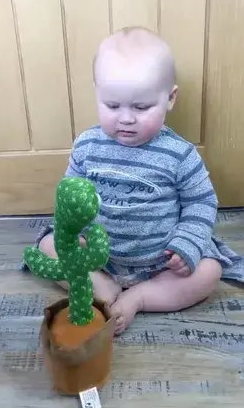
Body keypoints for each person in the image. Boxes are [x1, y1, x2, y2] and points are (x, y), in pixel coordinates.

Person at [20, 26, 244, 335]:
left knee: (209, 271)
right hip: (99, 256)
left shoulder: (179, 154)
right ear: (97, 92)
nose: (126, 118)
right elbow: (70, 198)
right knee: (48, 244)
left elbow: (201, 202)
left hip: (161, 262)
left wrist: (187, 243)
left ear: (170, 98)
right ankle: (100, 283)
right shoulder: (87, 146)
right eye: (112, 106)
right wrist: (75, 238)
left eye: (141, 107)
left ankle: (140, 298)